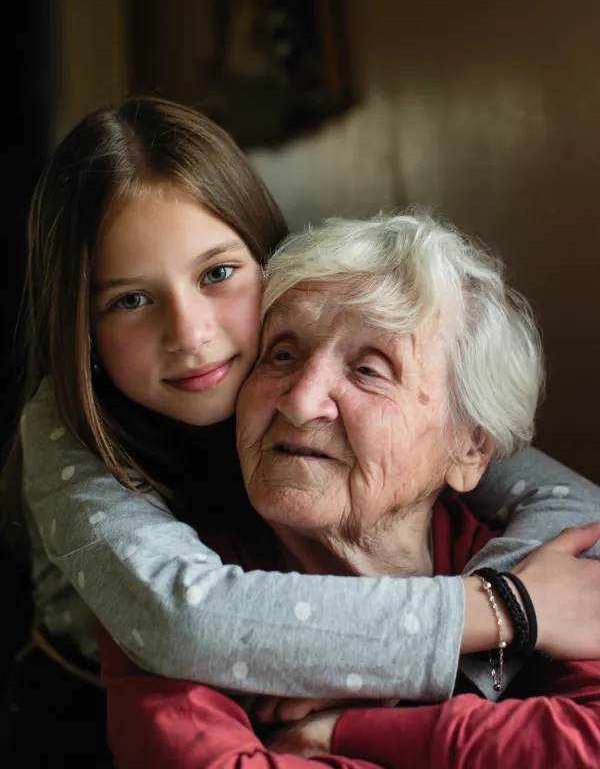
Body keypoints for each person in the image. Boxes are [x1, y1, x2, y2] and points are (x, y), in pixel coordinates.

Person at [2, 97, 599, 761]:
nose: (190, 334)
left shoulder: (437, 427)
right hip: (78, 717)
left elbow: (572, 506)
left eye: (218, 274)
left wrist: (470, 664)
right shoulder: (66, 429)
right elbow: (185, 624)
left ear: (271, 262)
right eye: (131, 300)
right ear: (81, 329)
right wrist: (504, 612)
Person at [100, 213, 600, 769]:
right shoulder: (166, 596)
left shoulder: (554, 571)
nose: (300, 399)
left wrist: (345, 731)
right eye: (282, 354)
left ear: (469, 447)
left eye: (368, 369)